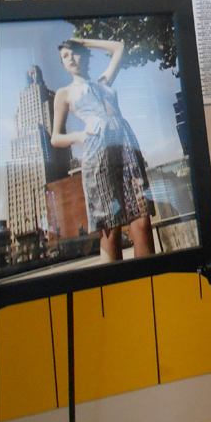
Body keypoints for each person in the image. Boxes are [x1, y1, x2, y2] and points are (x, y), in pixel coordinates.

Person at [51, 37, 155, 263]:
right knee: (111, 226)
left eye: (75, 52)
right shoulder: (64, 93)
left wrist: (82, 41)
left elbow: (119, 47)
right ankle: (114, 281)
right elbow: (55, 138)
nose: (71, 58)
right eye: (65, 56)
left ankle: (149, 277)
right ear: (63, 64)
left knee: (141, 219)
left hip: (126, 147)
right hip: (97, 153)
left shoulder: (103, 82)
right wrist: (79, 136)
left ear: (85, 56)